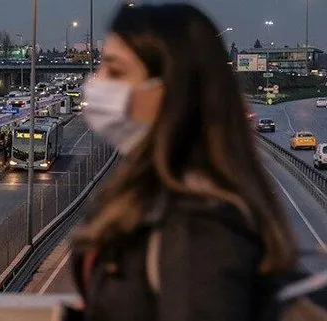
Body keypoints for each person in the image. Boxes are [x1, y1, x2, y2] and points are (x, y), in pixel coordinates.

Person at [70, 4, 297, 321]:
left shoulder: (199, 229)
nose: (95, 84)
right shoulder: (149, 192)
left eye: (116, 71)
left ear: (171, 92)